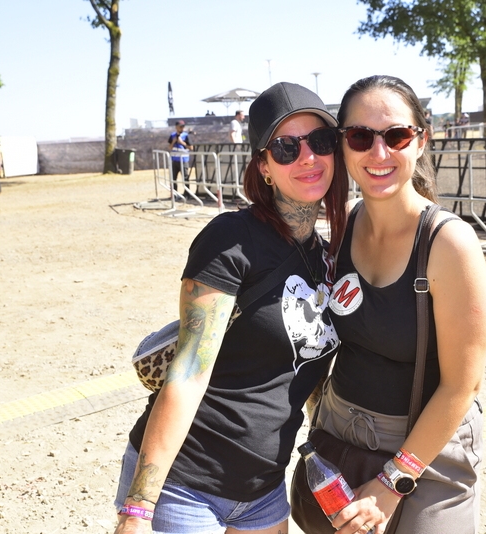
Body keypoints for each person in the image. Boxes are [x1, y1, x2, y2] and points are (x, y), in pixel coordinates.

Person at [113, 82, 348, 534]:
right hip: (185, 484)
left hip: (264, 490)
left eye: (320, 141)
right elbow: (188, 371)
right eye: (286, 147)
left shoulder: (329, 258)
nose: (307, 157)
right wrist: (138, 509)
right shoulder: (231, 240)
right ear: (263, 166)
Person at [322, 75, 486, 534]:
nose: (378, 153)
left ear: (421, 141)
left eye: (396, 135)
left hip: (426, 450)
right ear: (342, 146)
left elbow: (463, 385)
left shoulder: (448, 243)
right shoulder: (344, 224)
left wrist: (392, 481)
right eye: (360, 137)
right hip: (339, 438)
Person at [168, 120, 193, 194]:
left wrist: (181, 142)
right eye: (180, 127)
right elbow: (170, 147)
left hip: (183, 160)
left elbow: (191, 148)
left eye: (183, 127)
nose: (182, 128)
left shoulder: (186, 135)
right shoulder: (172, 135)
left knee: (185, 178)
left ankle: (187, 194)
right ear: (176, 127)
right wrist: (174, 141)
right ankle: (174, 194)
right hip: (174, 160)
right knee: (173, 178)